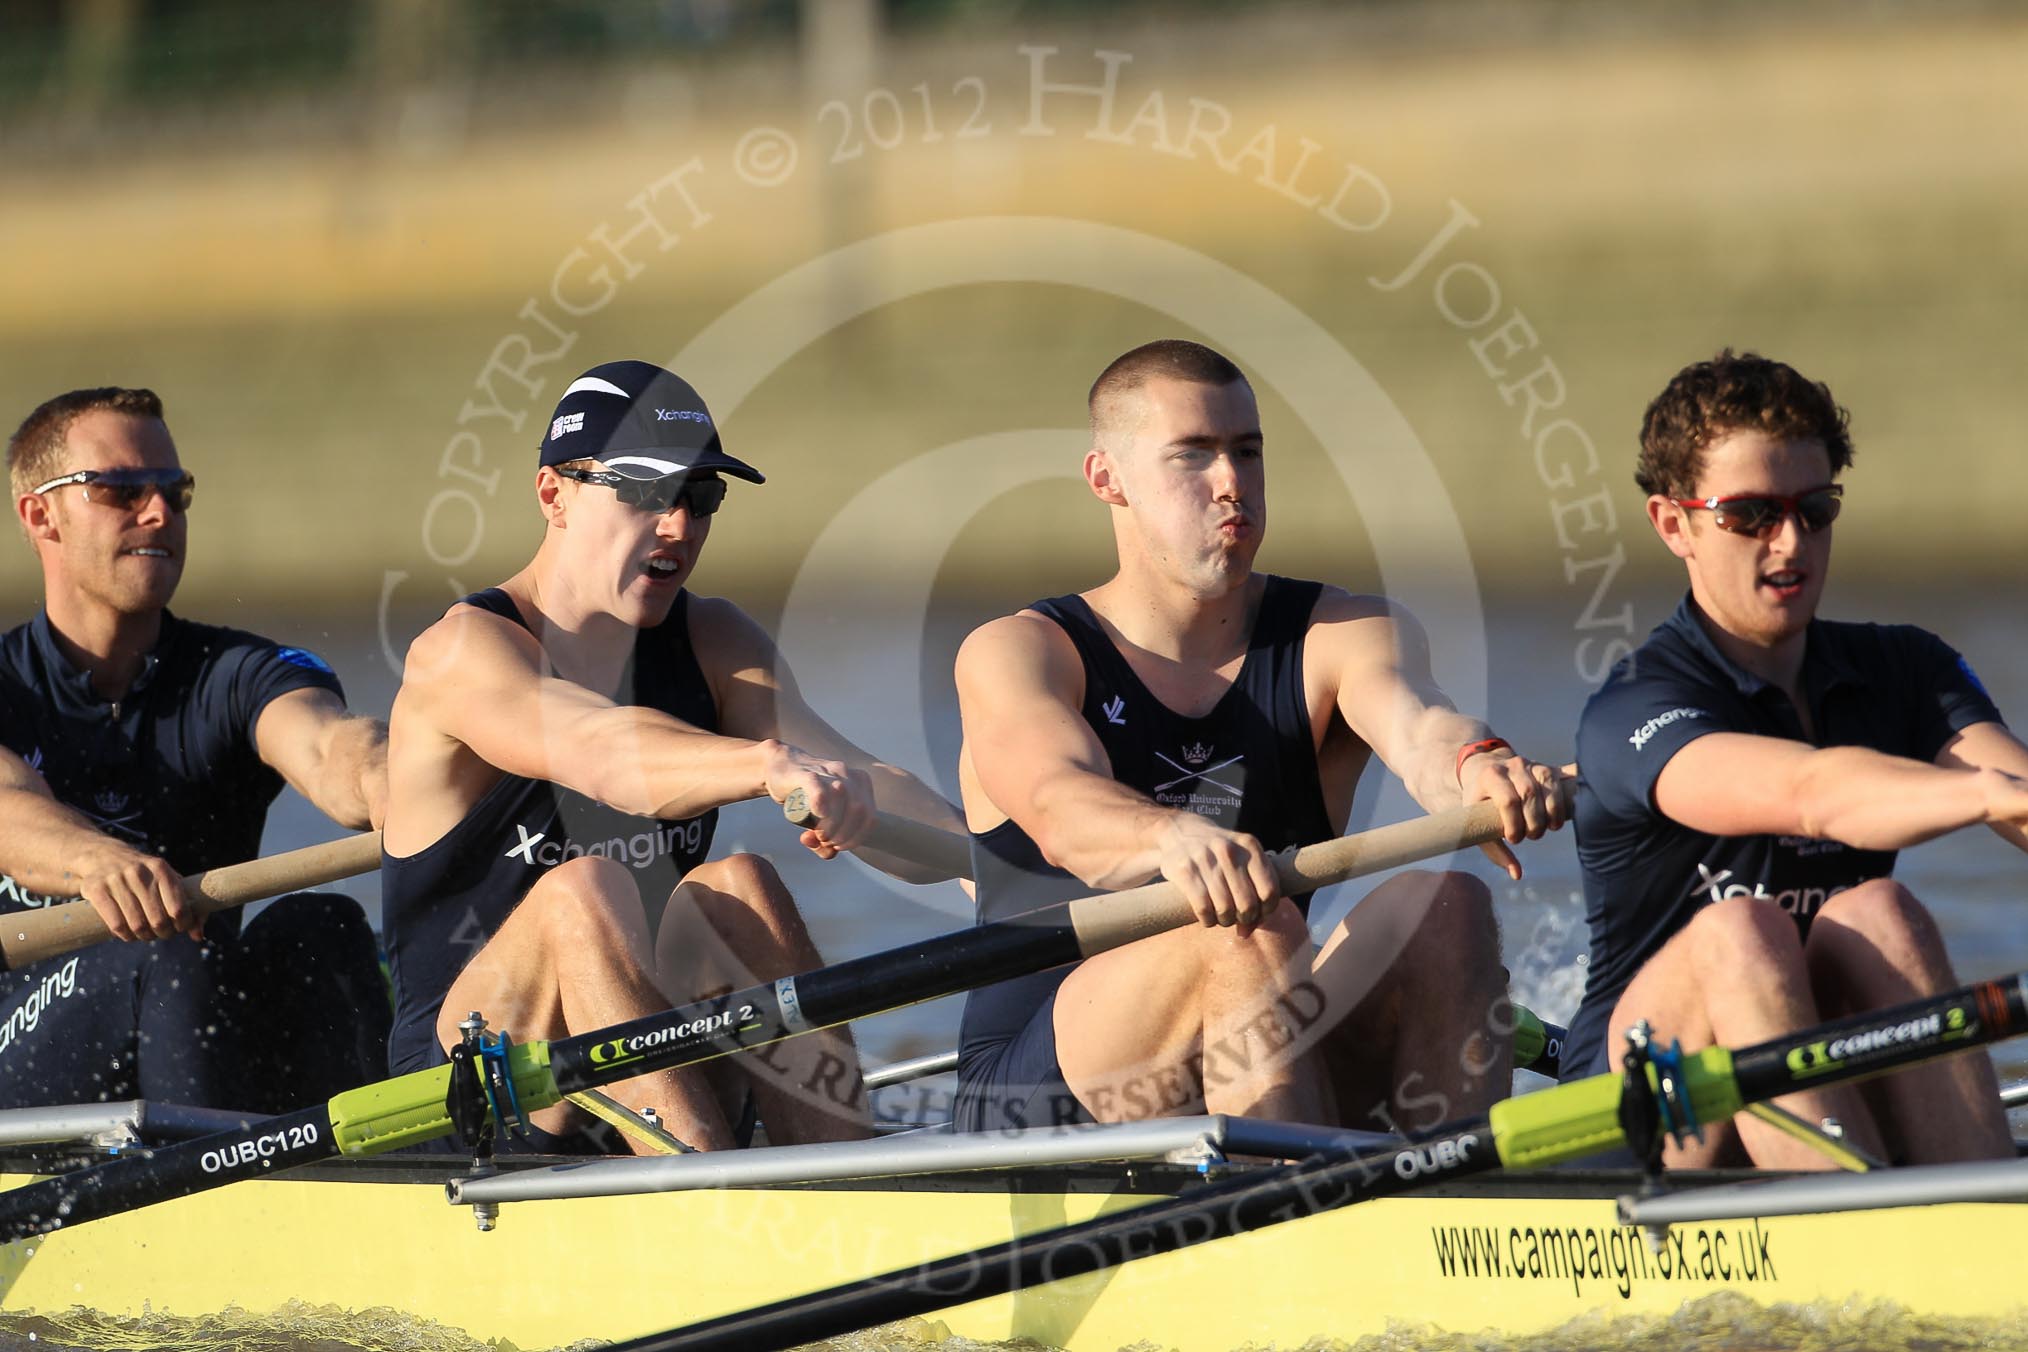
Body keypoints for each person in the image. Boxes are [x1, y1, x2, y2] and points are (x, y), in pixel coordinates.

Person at [950, 339, 1567, 1136]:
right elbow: (1060, 805)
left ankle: (1449, 1206)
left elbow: (1417, 726)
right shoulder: (1021, 652)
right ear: (1108, 479)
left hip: (1264, 1039)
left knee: (1444, 904)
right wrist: (1169, 835)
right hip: (1041, 1093)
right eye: (1192, 457)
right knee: (1241, 928)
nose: (1232, 484)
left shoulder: (1343, 632)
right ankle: (1293, 1212)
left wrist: (1476, 766)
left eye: (1247, 452)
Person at [381, 359, 964, 1153]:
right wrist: (765, 766)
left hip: (642, 1044)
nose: (678, 527)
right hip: (468, 1082)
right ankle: (699, 1198)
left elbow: (862, 775)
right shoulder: (465, 651)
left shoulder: (715, 641)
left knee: (738, 888)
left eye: (701, 498)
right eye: (646, 493)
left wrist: (1001, 863)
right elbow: (604, 754)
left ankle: (846, 1175)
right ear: (554, 494)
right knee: (581, 891)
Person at [1567, 349, 2028, 1167]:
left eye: (1814, 508)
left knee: (1878, 913)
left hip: (1810, 1056)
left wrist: (2004, 794)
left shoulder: (1906, 667)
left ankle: (1974, 1205)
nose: (1791, 541)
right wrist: (1987, 797)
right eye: (1750, 514)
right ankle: (1857, 1239)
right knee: (1744, 929)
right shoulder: (1634, 706)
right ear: (1674, 524)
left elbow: (2017, 786)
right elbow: (1815, 794)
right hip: (1642, 1111)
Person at [0, 386, 391, 1113]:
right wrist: (94, 860)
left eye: (174, 492)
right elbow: (9, 810)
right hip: (20, 1037)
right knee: (164, 953)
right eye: (120, 490)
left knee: (325, 928)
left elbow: (329, 744)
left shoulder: (238, 671)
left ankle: (391, 1184)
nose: (157, 512)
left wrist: (399, 783)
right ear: (39, 514)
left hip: (194, 1013)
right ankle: (212, 1200)